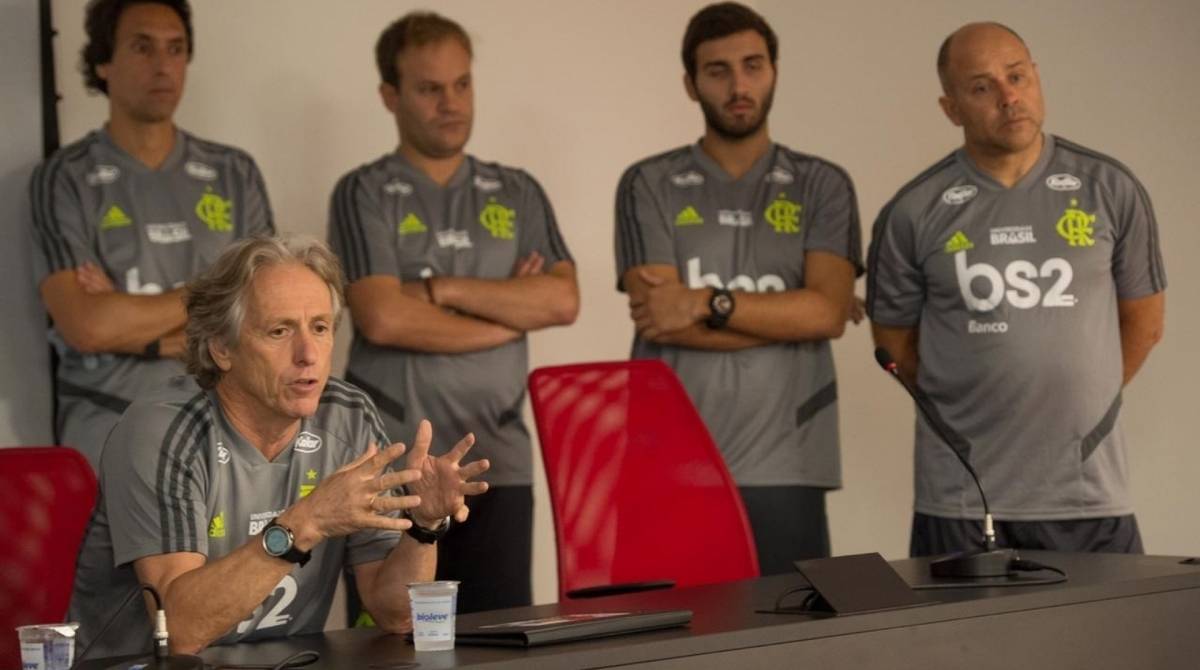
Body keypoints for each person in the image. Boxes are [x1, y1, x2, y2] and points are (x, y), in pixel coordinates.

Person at [67, 236, 489, 658]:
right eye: (279, 331)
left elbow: (395, 614)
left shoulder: (347, 417)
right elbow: (181, 631)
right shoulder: (161, 430)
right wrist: (308, 520)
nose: (308, 354)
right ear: (222, 348)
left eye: (320, 328)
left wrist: (423, 527)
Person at [867, 22, 1166, 556]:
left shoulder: (1110, 189)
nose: (1008, 97)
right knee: (955, 619)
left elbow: (1144, 323)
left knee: (1111, 617)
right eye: (982, 87)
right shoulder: (912, 211)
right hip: (961, 499)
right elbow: (895, 348)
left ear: (1036, 78)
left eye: (1017, 76)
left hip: (1088, 493)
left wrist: (1080, 398)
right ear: (951, 108)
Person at [327, 12, 578, 612]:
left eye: (462, 84)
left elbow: (561, 300)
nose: (451, 103)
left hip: (498, 462)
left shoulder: (518, 191)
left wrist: (435, 289)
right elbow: (383, 318)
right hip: (390, 467)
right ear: (390, 96)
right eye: (429, 88)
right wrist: (507, 311)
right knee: (392, 640)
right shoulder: (361, 191)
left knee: (501, 641)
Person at [613, 2, 862, 575]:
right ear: (691, 83)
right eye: (718, 70)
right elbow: (659, 316)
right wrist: (795, 314)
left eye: (753, 66)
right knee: (672, 629)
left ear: (775, 71)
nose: (738, 85)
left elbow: (824, 315)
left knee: (785, 626)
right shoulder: (647, 183)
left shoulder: (822, 184)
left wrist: (706, 303)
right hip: (670, 461)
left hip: (789, 462)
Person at [29, 0, 274, 470]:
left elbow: (264, 313)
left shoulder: (234, 173)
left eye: (175, 49)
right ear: (104, 62)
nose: (163, 65)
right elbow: (87, 324)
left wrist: (132, 323)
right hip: (107, 426)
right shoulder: (64, 176)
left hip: (225, 425)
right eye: (143, 48)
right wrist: (217, 298)